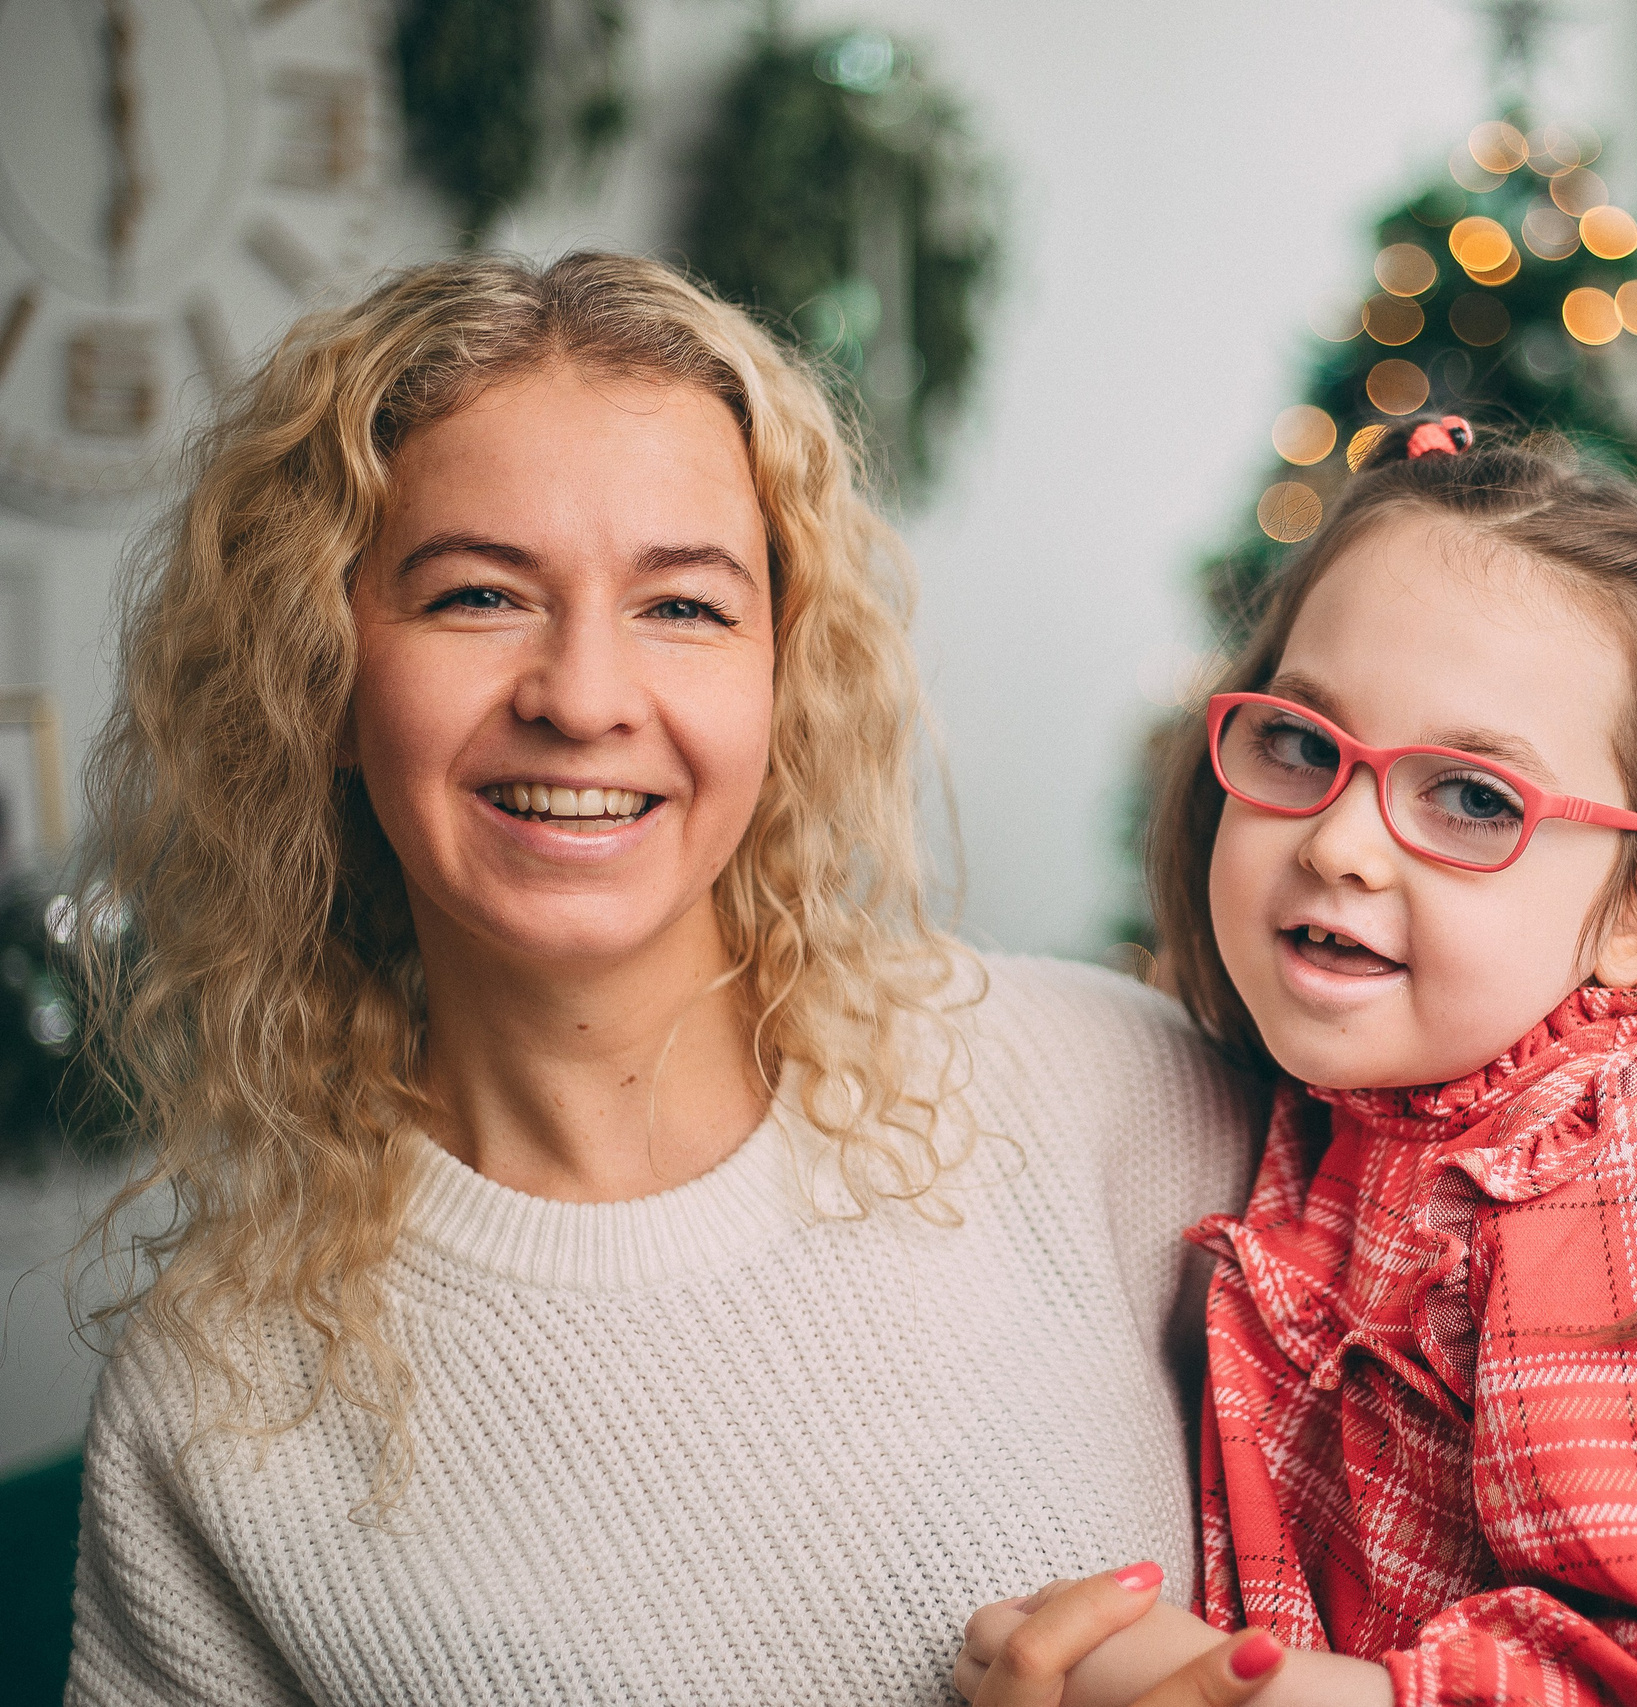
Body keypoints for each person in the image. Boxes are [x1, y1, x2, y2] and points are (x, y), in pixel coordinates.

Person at [63, 251, 1259, 1705]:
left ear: (782, 672)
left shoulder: (1106, 1092)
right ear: (322, 672)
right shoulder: (216, 1401)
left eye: (683, 608)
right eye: (476, 596)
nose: (581, 696)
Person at [960, 419, 1637, 1707]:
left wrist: (1247, 1691)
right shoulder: (1354, 1106)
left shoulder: (1623, 1188)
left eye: (1473, 801)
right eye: (1297, 745)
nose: (1338, 842)